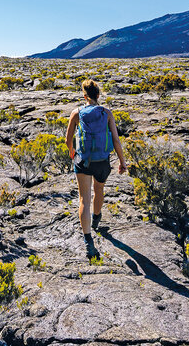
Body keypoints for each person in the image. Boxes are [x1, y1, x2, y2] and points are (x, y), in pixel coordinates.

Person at [65, 79, 127, 259]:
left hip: (83, 161)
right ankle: (97, 219)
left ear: (84, 96)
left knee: (83, 198)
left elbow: (68, 141)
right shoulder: (107, 113)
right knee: (98, 189)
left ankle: (88, 242)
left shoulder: (76, 113)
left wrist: (73, 155)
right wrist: (122, 162)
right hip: (102, 161)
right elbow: (116, 140)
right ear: (98, 95)